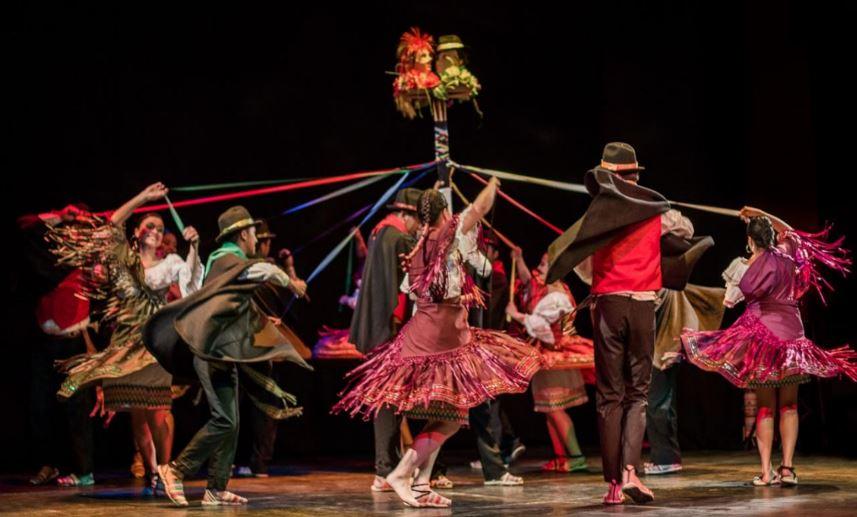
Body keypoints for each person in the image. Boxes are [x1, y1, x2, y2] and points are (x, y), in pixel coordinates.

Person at [334, 179, 540, 508]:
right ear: (444, 212)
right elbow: (479, 208)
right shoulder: (449, 235)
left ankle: (420, 483)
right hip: (441, 338)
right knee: (451, 415)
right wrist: (492, 184)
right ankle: (402, 473)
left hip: (433, 332)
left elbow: (412, 291)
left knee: (449, 413)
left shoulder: (419, 244)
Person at [547, 142, 694, 504]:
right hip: (643, 303)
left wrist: (604, 274)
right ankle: (631, 471)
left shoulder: (597, 215)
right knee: (637, 393)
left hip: (608, 305)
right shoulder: (656, 211)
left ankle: (613, 483)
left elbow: (580, 264)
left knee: (609, 396)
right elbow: (686, 230)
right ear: (633, 176)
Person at [146, 205, 308, 506]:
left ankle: (216, 488)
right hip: (209, 351)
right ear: (244, 234)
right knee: (223, 419)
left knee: (230, 421)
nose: (256, 240)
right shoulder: (232, 261)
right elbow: (266, 270)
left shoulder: (223, 263)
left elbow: (234, 303)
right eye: (253, 235)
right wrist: (293, 283)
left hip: (219, 351)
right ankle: (174, 470)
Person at [681, 207, 855, 486]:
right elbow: (793, 232)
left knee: (765, 407)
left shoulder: (751, 269)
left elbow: (745, 291)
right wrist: (761, 213)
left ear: (750, 241)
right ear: (773, 236)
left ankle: (766, 471)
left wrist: (754, 248)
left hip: (765, 339)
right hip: (793, 337)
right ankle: (787, 469)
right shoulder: (788, 254)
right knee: (789, 405)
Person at [48, 183, 202, 493]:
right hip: (127, 345)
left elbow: (192, 288)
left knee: (159, 410)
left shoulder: (170, 264)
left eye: (160, 227)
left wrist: (194, 248)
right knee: (138, 415)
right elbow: (112, 224)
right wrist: (144, 197)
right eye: (150, 225)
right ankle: (153, 473)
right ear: (138, 230)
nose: (156, 231)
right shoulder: (124, 259)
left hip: (156, 345)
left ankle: (165, 469)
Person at [346, 188, 423, 492]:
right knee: (389, 401)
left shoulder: (379, 233)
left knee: (386, 400)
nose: (419, 227)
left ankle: (387, 467)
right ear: (407, 215)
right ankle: (387, 469)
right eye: (418, 220)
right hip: (389, 330)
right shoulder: (401, 238)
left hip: (374, 328)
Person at [506, 250, 594, 473]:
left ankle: (576, 456)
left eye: (544, 266)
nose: (539, 269)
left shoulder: (557, 296)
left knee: (556, 409)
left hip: (555, 356)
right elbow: (529, 280)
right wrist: (519, 260)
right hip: (545, 355)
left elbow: (543, 329)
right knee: (548, 409)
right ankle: (560, 456)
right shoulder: (547, 290)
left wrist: (516, 315)